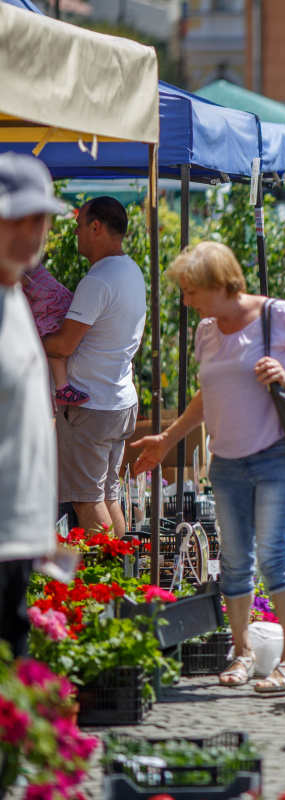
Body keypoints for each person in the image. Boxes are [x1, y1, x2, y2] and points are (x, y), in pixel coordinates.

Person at [130, 241, 285, 693]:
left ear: (220, 285)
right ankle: (242, 653)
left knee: (272, 555)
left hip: (277, 457)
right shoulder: (207, 331)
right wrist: (167, 439)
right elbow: (208, 396)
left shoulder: (276, 315)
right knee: (234, 562)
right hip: (225, 461)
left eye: (190, 291)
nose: (185, 301)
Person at [42, 197, 146, 537]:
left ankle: (103, 582)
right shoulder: (131, 270)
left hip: (89, 407)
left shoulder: (98, 280)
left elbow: (63, 345)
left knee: (86, 501)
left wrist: (25, 339)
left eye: (78, 226)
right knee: (107, 495)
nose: (76, 234)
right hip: (117, 401)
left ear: (96, 228)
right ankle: (122, 577)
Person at [0, 154, 63, 657]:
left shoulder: (16, 296)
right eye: (21, 216)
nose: (36, 228)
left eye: (41, 216)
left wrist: (40, 525)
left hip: (17, 538)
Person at [20, 262, 89, 405]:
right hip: (48, 304)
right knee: (55, 342)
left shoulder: (20, 254)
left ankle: (59, 388)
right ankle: (61, 387)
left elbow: (23, 277)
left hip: (52, 300)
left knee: (60, 339)